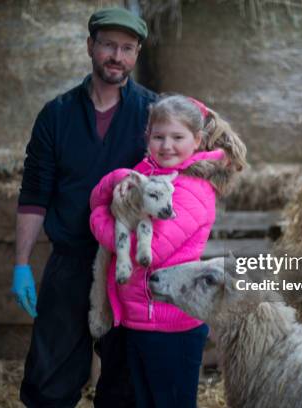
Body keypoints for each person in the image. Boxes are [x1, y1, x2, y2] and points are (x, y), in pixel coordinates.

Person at [11, 7, 157, 408]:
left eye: (127, 48)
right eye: (109, 45)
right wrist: (22, 263)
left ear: (137, 54)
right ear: (90, 46)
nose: (117, 56)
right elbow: (35, 194)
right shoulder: (56, 115)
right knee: (48, 384)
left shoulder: (152, 113)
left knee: (124, 387)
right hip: (70, 262)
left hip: (125, 266)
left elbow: (177, 170)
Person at [89, 94, 246, 408]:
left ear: (197, 139)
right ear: (147, 138)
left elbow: (149, 251)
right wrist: (117, 178)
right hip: (139, 318)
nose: (167, 146)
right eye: (158, 137)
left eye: (178, 137)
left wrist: (97, 219)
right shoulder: (146, 174)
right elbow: (101, 196)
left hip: (170, 322)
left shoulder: (193, 190)